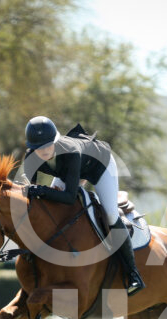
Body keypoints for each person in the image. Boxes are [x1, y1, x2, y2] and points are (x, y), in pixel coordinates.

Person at [21, 116, 145, 296]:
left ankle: (132, 273)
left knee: (111, 213)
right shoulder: (30, 158)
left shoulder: (70, 152)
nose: (44, 151)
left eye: (48, 145)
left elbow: (69, 197)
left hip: (100, 165)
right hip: (70, 171)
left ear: (55, 140)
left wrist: (40, 190)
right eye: (39, 148)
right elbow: (31, 197)